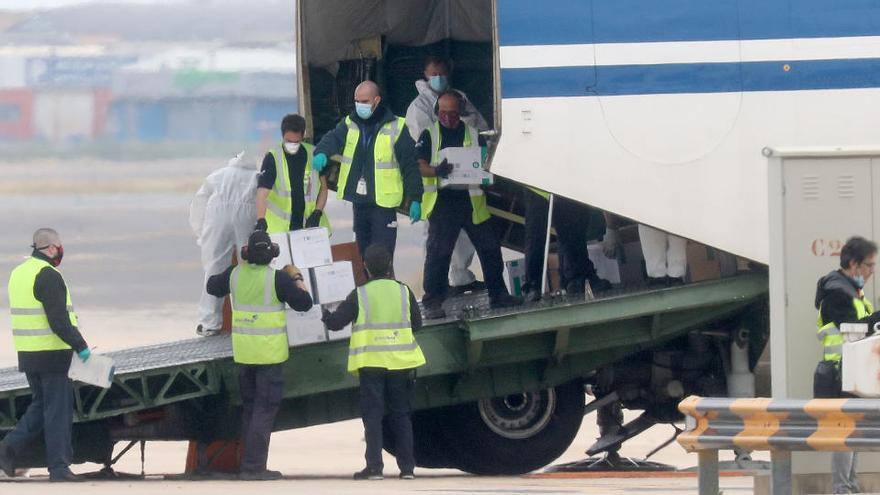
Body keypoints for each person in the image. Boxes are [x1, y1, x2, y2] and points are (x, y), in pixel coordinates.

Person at [206, 231, 312, 480]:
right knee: (264, 412)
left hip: (244, 356)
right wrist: (297, 278)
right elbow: (305, 304)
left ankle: (248, 464)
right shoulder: (278, 279)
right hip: (269, 357)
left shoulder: (235, 274)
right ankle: (254, 467)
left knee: (251, 410)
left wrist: (233, 267)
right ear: (273, 254)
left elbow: (212, 286)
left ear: (246, 253)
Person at [415, 91, 523, 319]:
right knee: (438, 254)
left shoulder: (474, 135)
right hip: (443, 202)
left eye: (453, 113)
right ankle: (433, 301)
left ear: (461, 112)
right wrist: (437, 171)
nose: (448, 117)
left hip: (471, 201)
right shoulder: (429, 135)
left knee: (490, 249)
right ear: (437, 112)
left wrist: (486, 175)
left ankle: (499, 295)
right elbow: (419, 165)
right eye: (443, 113)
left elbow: (487, 163)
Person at [322, 244, 424, 481]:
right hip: (400, 362)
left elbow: (336, 323)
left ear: (365, 267)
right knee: (401, 415)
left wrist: (325, 315)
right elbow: (417, 324)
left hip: (371, 364)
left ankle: (375, 468)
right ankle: (407, 469)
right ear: (390, 266)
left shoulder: (360, 294)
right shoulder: (404, 291)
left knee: (373, 416)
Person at [0, 228, 91, 482]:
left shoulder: (18, 273)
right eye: (59, 246)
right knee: (58, 412)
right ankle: (59, 468)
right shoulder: (49, 275)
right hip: (53, 354)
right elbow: (59, 321)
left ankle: (7, 448)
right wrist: (81, 346)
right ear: (51, 248)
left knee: (41, 407)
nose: (61, 250)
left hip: (29, 354)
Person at [406, 55, 489, 295]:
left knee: (464, 238)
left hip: (465, 180)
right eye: (434, 74)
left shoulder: (461, 98)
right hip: (436, 182)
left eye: (443, 73)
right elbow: (425, 138)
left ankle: (462, 278)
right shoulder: (419, 106)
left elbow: (479, 127)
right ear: (425, 74)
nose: (439, 78)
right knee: (435, 242)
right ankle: (436, 288)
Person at [313, 81, 422, 261]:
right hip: (360, 201)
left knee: (382, 255)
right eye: (357, 101)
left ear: (377, 100)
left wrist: (415, 198)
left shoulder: (397, 127)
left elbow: (410, 166)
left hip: (383, 204)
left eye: (364, 101)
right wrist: (322, 152)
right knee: (363, 254)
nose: (359, 105)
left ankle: (385, 286)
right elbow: (332, 138)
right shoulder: (350, 123)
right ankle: (368, 286)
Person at [814, 236, 879, 494]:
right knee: (845, 433)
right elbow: (854, 328)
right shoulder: (837, 293)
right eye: (869, 266)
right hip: (840, 372)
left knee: (851, 433)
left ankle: (849, 486)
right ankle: (843, 489)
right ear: (854, 264)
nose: (872, 271)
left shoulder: (851, 291)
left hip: (853, 371)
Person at [190, 151, 258, 337]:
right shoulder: (255, 176)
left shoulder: (218, 175)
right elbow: (266, 200)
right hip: (247, 213)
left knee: (214, 268)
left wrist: (200, 232)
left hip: (217, 214)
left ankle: (209, 323)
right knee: (249, 267)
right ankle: (249, 318)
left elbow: (199, 201)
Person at [522, 188, 613, 302]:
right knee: (544, 229)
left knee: (567, 225)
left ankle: (574, 279)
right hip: (541, 181)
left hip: (544, 181)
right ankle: (536, 285)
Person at [254, 113, 330, 234]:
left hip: (309, 224)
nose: (292, 145)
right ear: (282, 136)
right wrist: (261, 220)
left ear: (303, 136)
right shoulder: (273, 158)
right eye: (288, 141)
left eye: (296, 142)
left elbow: (324, 188)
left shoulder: (314, 154)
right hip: (281, 229)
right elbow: (262, 193)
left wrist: (317, 212)